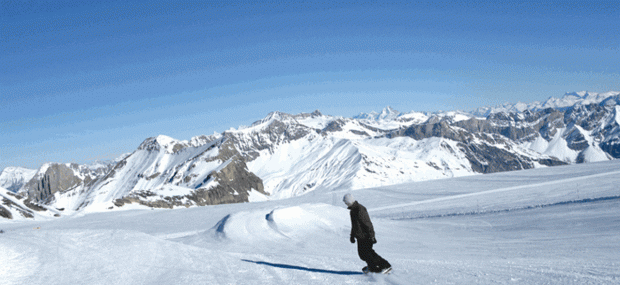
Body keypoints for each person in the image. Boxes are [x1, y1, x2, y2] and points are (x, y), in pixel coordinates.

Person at [343, 193, 392, 274]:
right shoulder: (352, 211)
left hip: (366, 236)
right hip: (359, 236)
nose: (346, 204)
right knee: (363, 255)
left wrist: (372, 236)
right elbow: (354, 225)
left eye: (346, 202)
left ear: (350, 201)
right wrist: (352, 235)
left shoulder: (360, 209)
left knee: (368, 253)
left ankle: (385, 266)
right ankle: (372, 267)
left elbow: (367, 224)